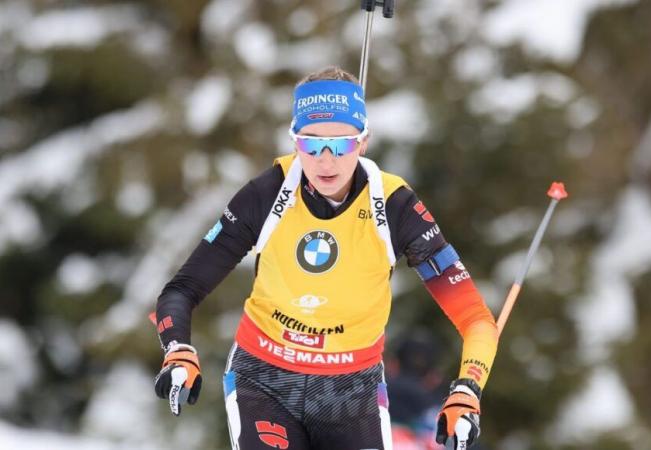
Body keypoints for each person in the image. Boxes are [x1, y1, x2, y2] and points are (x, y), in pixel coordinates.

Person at [153, 66, 499, 450]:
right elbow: (182, 290)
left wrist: (468, 388)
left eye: (342, 144)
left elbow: (476, 319)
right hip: (265, 378)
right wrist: (178, 350)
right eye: (312, 144)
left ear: (363, 142)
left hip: (352, 390)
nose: (326, 161)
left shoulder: (396, 207)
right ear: (295, 142)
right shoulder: (266, 196)